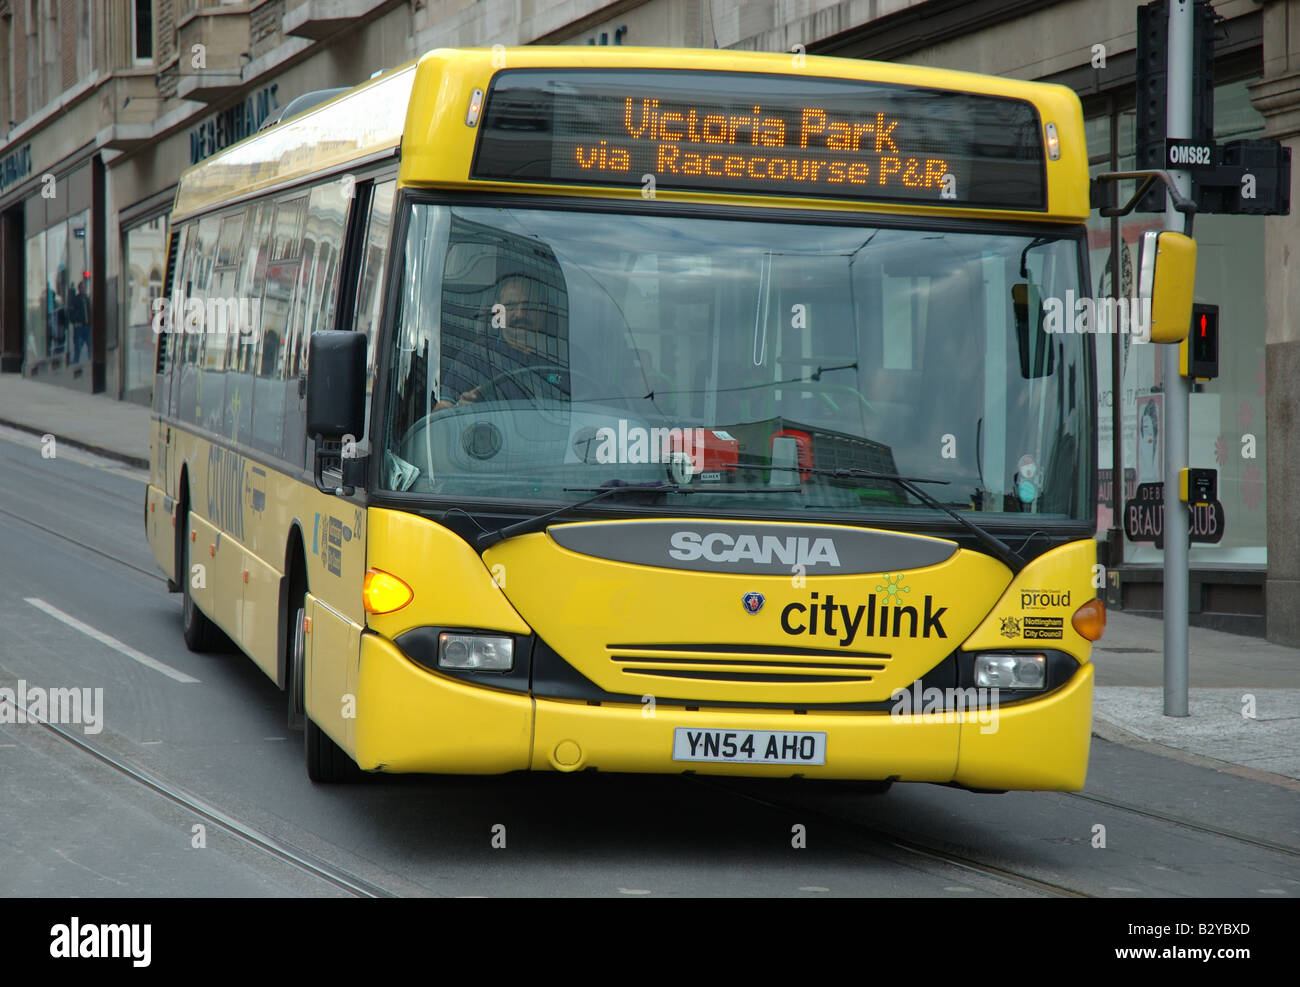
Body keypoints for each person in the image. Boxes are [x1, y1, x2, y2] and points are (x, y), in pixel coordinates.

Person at [435, 273, 568, 410]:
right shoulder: (475, 357)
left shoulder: (566, 359)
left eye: (529, 305)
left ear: (543, 310)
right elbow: (441, 413)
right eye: (511, 305)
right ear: (498, 312)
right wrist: (460, 409)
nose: (520, 314)